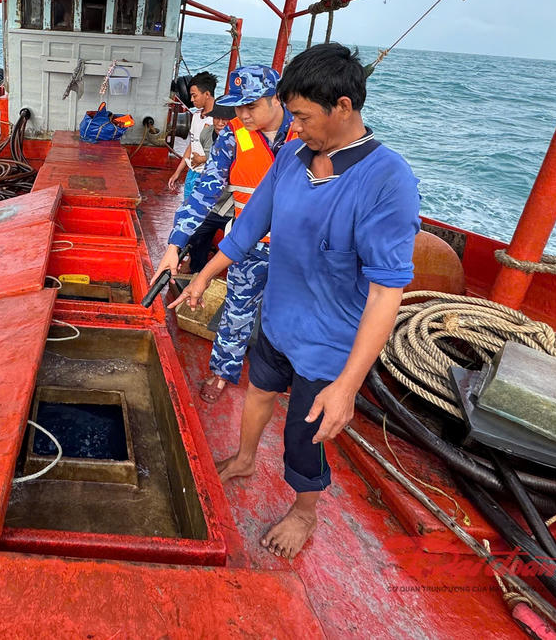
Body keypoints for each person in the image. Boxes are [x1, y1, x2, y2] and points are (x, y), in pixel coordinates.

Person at [170, 43, 420, 559]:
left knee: (304, 435)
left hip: (328, 343)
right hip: (278, 320)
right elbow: (248, 227)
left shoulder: (387, 180)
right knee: (258, 391)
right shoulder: (292, 155)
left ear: (343, 107)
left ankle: (305, 511)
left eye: (303, 117)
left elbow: (385, 293)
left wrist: (348, 386)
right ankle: (244, 458)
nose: (296, 127)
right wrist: (202, 278)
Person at [152, 64, 292, 404]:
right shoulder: (233, 135)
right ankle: (222, 372)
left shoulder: (306, 131)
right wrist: (175, 245)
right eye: (238, 106)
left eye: (251, 105)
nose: (242, 114)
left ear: (277, 98)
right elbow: (205, 192)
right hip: (248, 246)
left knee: (291, 316)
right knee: (236, 311)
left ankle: (290, 377)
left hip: (296, 251)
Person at [185, 104, 235, 273]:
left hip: (233, 207)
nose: (220, 123)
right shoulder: (206, 133)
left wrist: (204, 158)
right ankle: (196, 271)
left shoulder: (241, 139)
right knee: (196, 235)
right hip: (212, 203)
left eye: (225, 119)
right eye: (217, 118)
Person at [167, 72, 217, 198]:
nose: (191, 100)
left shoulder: (218, 121)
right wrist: (177, 172)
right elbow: (192, 144)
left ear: (207, 94)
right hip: (192, 172)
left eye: (194, 96)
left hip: (207, 175)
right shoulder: (196, 116)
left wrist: (203, 159)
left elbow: (224, 151)